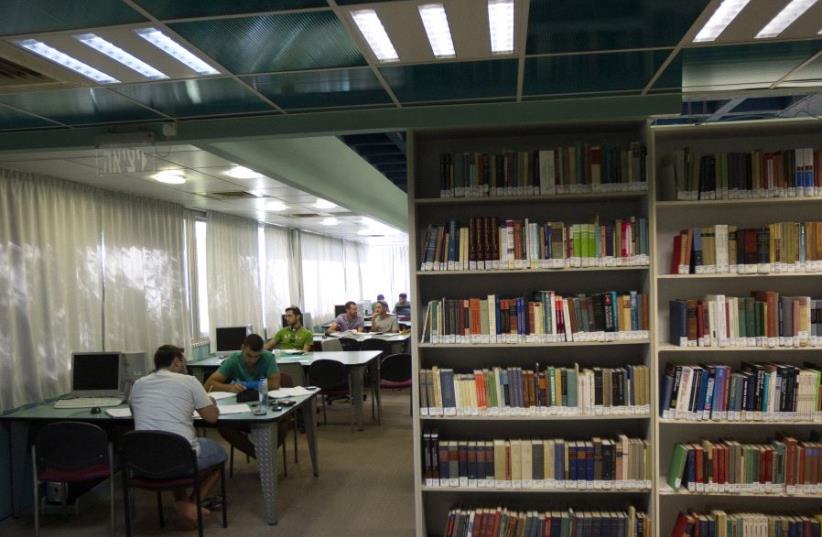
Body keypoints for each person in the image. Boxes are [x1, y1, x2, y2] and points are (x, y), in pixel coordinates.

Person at [129, 345, 224, 525]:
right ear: (176, 362)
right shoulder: (189, 381)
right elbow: (211, 418)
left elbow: (135, 413)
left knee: (172, 446)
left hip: (143, 460)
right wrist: (210, 401)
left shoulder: (139, 383)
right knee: (218, 454)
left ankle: (182, 503)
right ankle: (189, 505)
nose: (185, 365)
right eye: (183, 361)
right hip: (180, 457)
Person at [205, 334, 280, 459]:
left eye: (257, 356)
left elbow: (275, 384)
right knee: (223, 426)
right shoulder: (234, 359)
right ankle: (260, 456)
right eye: (249, 355)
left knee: (282, 421)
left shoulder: (268, 357)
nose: (253, 360)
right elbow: (208, 384)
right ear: (242, 348)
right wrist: (230, 388)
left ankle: (268, 453)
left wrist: (248, 384)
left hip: (263, 406)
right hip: (240, 408)